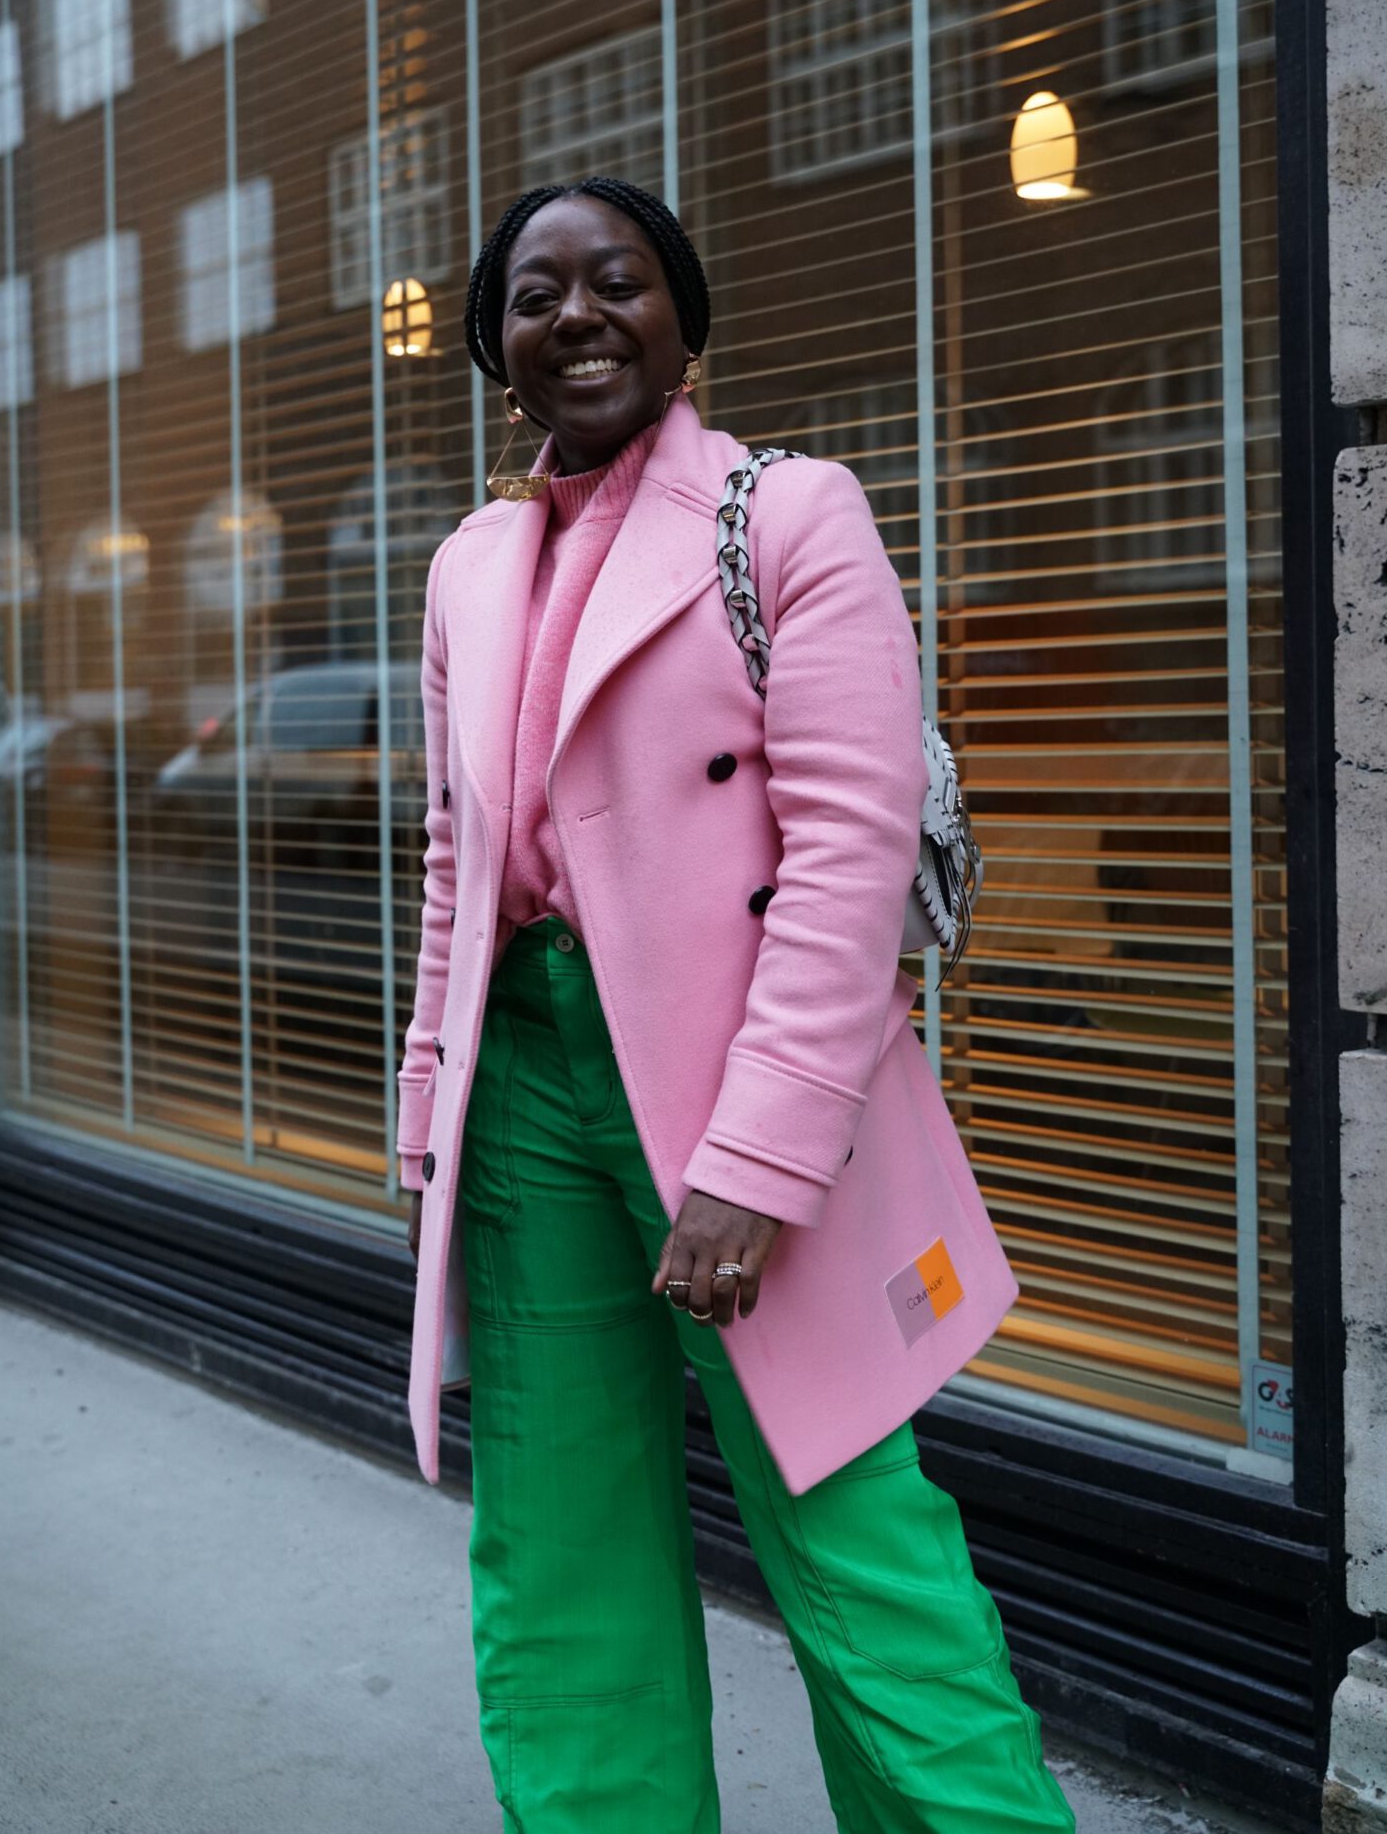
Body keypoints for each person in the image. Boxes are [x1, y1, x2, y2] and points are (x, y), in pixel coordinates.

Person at [398, 174, 1075, 1833]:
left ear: (683, 319)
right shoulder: (473, 564)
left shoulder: (790, 512)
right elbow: (451, 859)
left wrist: (758, 1165)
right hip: (530, 1089)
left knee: (857, 1542)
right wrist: (431, 1099)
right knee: (557, 1551)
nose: (578, 316)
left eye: (617, 280)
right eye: (538, 294)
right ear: (498, 348)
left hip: (739, 1084)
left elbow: (849, 862)